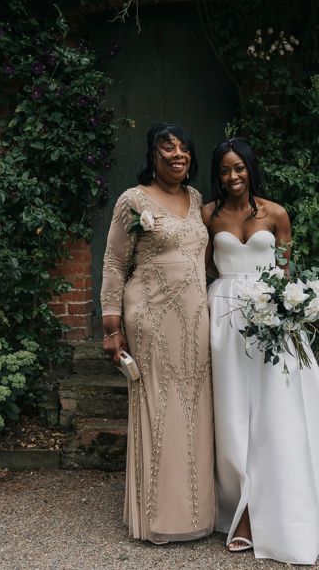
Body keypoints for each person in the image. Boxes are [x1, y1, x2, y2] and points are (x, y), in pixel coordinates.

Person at [203, 136, 319, 564]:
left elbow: (287, 271)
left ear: (251, 168)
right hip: (224, 322)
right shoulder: (208, 215)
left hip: (273, 321)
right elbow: (202, 265)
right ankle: (238, 500)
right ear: (218, 175)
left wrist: (292, 307)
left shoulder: (277, 213)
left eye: (239, 168)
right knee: (232, 411)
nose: (233, 177)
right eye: (225, 170)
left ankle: (269, 505)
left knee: (275, 411)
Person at [100, 123, 216, 543]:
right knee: (158, 409)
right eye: (167, 149)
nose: (177, 155)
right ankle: (158, 517)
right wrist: (111, 326)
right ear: (153, 155)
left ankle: (197, 512)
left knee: (195, 409)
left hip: (195, 319)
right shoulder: (133, 201)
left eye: (184, 148)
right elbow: (113, 264)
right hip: (150, 316)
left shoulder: (197, 198)